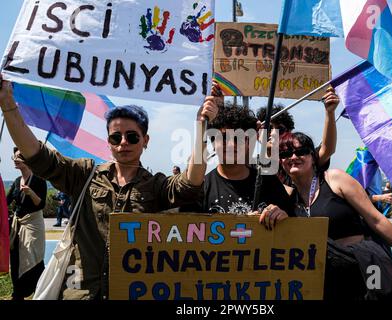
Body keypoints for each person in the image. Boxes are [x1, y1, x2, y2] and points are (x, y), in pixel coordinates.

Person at [0, 76, 219, 300]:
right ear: (109, 142)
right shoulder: (84, 175)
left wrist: (201, 125)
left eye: (132, 136)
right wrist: (8, 104)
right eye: (116, 137)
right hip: (81, 294)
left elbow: (191, 183)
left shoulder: (156, 185)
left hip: (132, 293)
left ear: (146, 140)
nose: (123, 142)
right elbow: (37, 155)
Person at [262, 131, 392, 300]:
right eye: (285, 154)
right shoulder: (286, 197)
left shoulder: (335, 179)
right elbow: (261, 177)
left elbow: (376, 219)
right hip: (327, 275)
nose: (293, 157)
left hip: (367, 265)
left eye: (300, 151)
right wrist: (263, 141)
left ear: (313, 156)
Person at [256, 87, 338, 187]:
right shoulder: (248, 165)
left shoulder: (301, 158)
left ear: (289, 133)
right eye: (268, 129)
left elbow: (327, 150)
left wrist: (330, 112)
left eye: (280, 129)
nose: (273, 133)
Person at [6, 147, 47, 300]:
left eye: (19, 157)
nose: (15, 160)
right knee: (15, 257)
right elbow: (6, 202)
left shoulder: (39, 180)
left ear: (28, 160)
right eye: (14, 157)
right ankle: (18, 293)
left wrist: (31, 193)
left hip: (33, 225)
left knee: (34, 257)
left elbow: (41, 204)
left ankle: (39, 289)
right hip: (17, 226)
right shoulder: (17, 182)